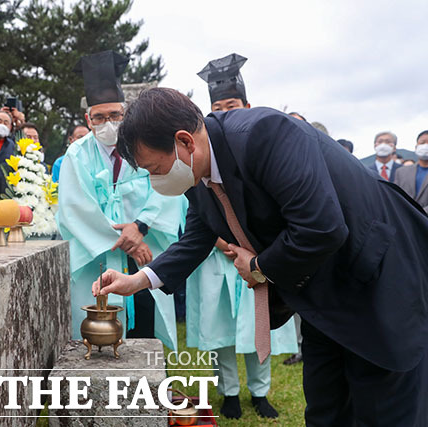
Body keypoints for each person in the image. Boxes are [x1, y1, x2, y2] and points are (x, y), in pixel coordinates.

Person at [94, 87, 428, 426]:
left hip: (376, 281)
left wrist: (258, 267)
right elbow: (197, 236)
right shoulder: (197, 171)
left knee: (384, 410)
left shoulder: (265, 135)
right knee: (326, 410)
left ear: (184, 142)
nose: (155, 181)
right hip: (320, 297)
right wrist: (138, 280)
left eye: (155, 168)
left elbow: (322, 227)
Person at [57, 51, 185, 350]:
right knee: (100, 321)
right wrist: (126, 239)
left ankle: (150, 387)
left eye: (115, 115)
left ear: (125, 113)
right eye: (99, 117)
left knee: (147, 318)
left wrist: (141, 227)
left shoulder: (144, 145)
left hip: (147, 245)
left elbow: (167, 188)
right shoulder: (77, 154)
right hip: (99, 253)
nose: (108, 123)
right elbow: (75, 209)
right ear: (88, 119)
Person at [194, 54, 297, 419]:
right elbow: (198, 216)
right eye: (216, 108)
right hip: (218, 257)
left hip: (257, 257)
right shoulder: (204, 153)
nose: (223, 113)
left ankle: (260, 390)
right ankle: (230, 391)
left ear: (247, 106)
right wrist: (222, 241)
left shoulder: (257, 145)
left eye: (231, 105)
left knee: (260, 321)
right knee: (221, 328)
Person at [394, 130, 428, 213]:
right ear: (416, 146)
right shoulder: (401, 172)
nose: (426, 145)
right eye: (422, 142)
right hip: (404, 221)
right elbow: (395, 197)